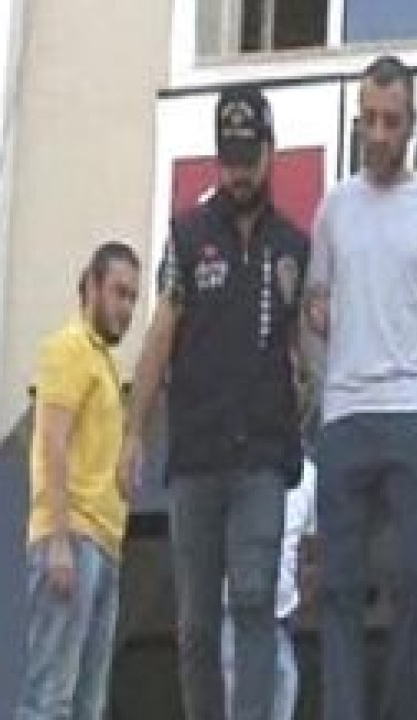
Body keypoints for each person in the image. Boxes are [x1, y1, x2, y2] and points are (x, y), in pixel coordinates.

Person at [121, 85, 310, 720]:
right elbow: (159, 335)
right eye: (228, 158)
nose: (238, 173)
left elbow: (305, 349)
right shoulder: (186, 235)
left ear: (270, 152)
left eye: (248, 158)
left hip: (263, 455)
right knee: (197, 624)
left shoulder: (295, 246)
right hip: (196, 455)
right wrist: (134, 431)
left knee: (255, 601)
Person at [304, 54, 417, 720]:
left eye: (390, 121)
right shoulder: (333, 210)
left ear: (412, 124)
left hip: (410, 414)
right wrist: (331, 389)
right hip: (344, 418)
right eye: (368, 119)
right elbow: (311, 316)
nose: (377, 133)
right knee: (338, 590)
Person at [16, 241, 141, 720]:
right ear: (90, 285)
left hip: (105, 543)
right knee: (51, 697)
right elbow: (51, 442)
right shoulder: (70, 348)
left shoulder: (105, 364)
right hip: (74, 537)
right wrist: (59, 540)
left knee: (87, 704)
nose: (126, 308)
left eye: (132, 297)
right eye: (118, 293)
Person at [220, 461, 317, 720]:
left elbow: (309, 548)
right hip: (233, 614)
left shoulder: (308, 475)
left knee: (284, 689)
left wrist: (301, 591)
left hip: (281, 618)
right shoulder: (229, 465)